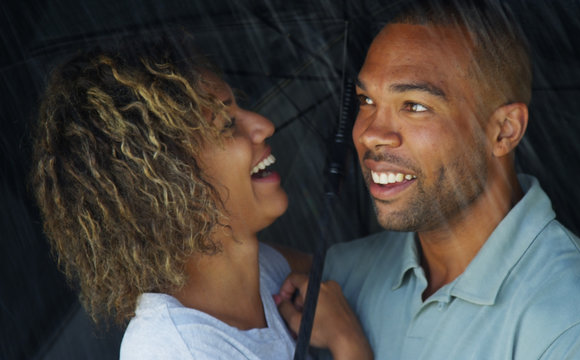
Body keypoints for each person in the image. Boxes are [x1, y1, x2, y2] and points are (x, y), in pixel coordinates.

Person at [278, 0, 580, 358]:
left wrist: (352, 351)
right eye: (366, 101)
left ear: (504, 130)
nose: (370, 134)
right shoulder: (346, 277)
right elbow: (241, 268)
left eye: (414, 105)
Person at [31, 33, 370, 359]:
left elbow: (366, 275)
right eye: (225, 125)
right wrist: (347, 342)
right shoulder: (171, 351)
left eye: (239, 109)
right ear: (169, 181)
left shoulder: (267, 272)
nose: (264, 125)